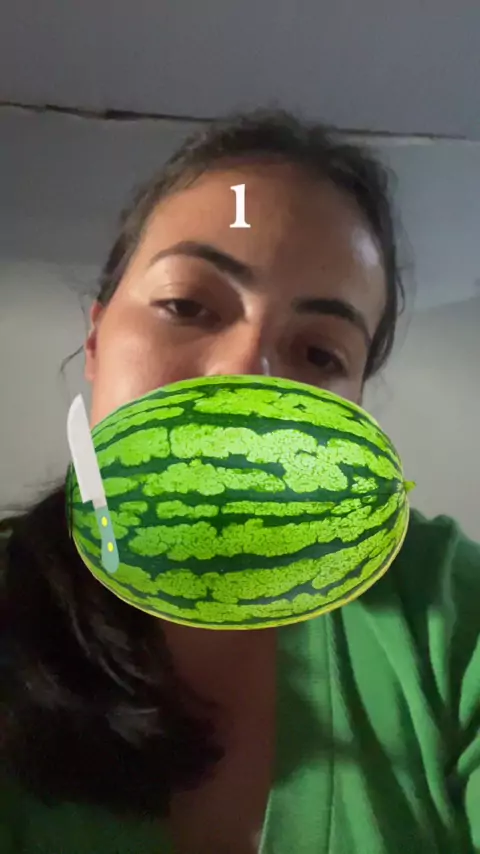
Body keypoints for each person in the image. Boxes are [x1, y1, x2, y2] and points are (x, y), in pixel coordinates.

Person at [1, 107, 479, 854]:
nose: (243, 373)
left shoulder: (447, 611)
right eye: (187, 305)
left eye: (319, 353)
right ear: (96, 340)